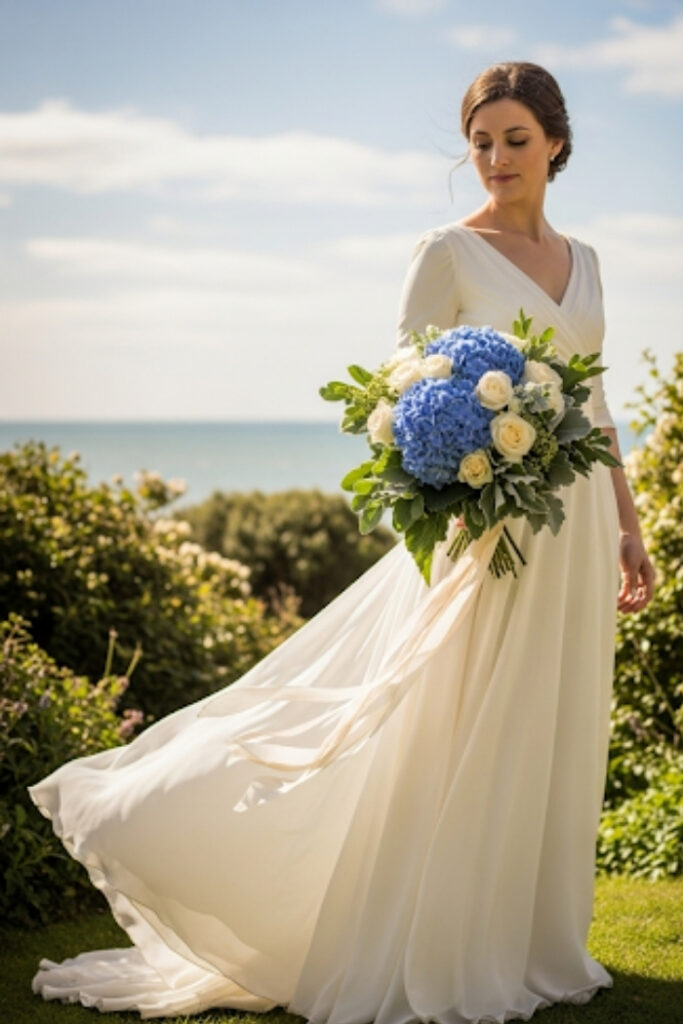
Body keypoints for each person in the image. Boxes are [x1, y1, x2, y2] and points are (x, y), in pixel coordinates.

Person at [28, 62, 653, 1023]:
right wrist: (460, 482)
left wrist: (628, 527)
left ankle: (530, 939)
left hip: (571, 530)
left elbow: (598, 405)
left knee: (550, 718)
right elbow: (394, 397)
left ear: (556, 144)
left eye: (514, 140)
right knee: (455, 721)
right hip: (486, 529)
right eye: (479, 142)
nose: (493, 159)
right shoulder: (446, 250)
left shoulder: (591, 261)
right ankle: (435, 933)